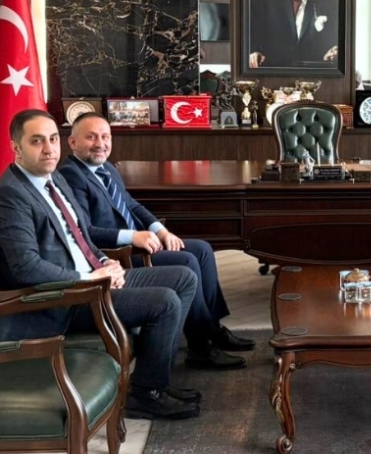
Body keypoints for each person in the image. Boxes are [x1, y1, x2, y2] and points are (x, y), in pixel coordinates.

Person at [0, 109, 202, 422]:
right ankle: (145, 395)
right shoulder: (10, 196)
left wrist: (105, 262)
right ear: (16, 147)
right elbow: (27, 268)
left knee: (184, 278)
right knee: (164, 301)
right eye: (37, 141)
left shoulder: (53, 178)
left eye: (53, 139)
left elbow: (80, 236)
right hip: (59, 300)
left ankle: (155, 377)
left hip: (89, 280)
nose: (49, 149)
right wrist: (89, 278)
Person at [59, 112, 255, 369]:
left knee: (202, 250)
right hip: (117, 255)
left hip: (140, 243)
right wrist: (133, 236)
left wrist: (160, 230)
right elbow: (85, 232)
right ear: (72, 142)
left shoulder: (106, 168)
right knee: (187, 261)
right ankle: (200, 347)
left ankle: (213, 330)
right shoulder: (71, 176)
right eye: (91, 137)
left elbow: (132, 205)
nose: (100, 143)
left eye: (105, 137)